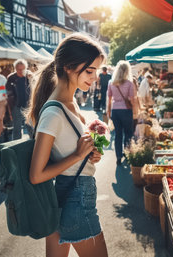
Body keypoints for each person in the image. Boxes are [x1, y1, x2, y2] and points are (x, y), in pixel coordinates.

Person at [26, 33, 108, 257]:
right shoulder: (54, 111)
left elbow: (69, 153)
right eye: (89, 71)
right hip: (76, 198)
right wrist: (77, 155)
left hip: (66, 195)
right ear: (70, 67)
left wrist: (89, 155)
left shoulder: (69, 104)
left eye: (96, 72)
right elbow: (36, 175)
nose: (94, 78)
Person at [106, 61, 135, 165]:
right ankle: (127, 154)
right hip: (126, 111)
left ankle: (118, 156)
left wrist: (108, 112)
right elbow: (132, 100)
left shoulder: (111, 83)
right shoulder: (129, 83)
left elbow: (109, 99)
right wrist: (135, 110)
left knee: (118, 134)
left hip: (115, 111)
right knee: (128, 133)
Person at [6, 59, 32, 140]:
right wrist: (10, 108)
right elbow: (8, 93)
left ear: (26, 68)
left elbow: (35, 88)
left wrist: (31, 78)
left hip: (28, 105)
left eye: (23, 69)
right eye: (18, 69)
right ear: (15, 69)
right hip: (16, 106)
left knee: (30, 127)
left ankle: (34, 144)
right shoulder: (11, 78)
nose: (21, 71)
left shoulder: (29, 76)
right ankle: (16, 147)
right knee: (17, 128)